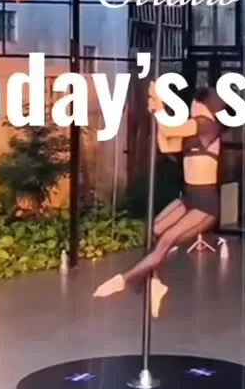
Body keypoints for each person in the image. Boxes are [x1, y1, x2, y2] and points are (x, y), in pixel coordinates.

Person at [93, 82, 224, 317]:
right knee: (156, 229)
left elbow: (172, 129)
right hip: (189, 197)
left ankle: (126, 279)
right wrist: (156, 111)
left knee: (167, 239)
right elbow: (166, 143)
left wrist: (160, 103)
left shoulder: (207, 125)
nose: (191, 107)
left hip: (205, 204)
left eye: (194, 104)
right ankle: (156, 282)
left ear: (203, 105)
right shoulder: (192, 130)